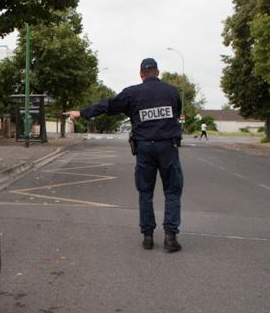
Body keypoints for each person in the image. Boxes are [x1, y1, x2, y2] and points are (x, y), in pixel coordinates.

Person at [64, 58, 184, 252]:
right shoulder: (172, 92)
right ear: (158, 72)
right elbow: (177, 113)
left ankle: (147, 237)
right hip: (168, 148)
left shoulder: (132, 93)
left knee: (145, 192)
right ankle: (171, 237)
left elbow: (108, 105)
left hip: (144, 148)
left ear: (141, 75)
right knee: (172, 191)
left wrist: (82, 112)